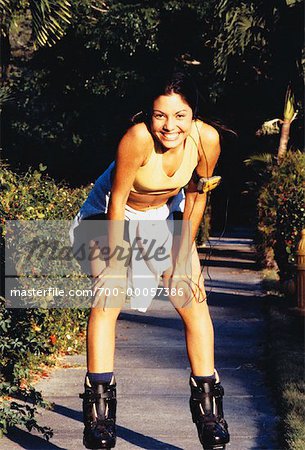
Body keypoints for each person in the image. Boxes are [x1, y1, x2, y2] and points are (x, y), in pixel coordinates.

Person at [70, 71, 230, 450]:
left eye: (180, 115)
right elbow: (117, 200)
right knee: (109, 299)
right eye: (160, 115)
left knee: (193, 300)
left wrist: (181, 256)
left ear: (194, 114)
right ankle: (99, 420)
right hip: (110, 216)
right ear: (149, 114)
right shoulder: (136, 139)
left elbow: (197, 197)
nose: (169, 126)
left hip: (164, 215)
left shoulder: (207, 140)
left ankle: (210, 415)